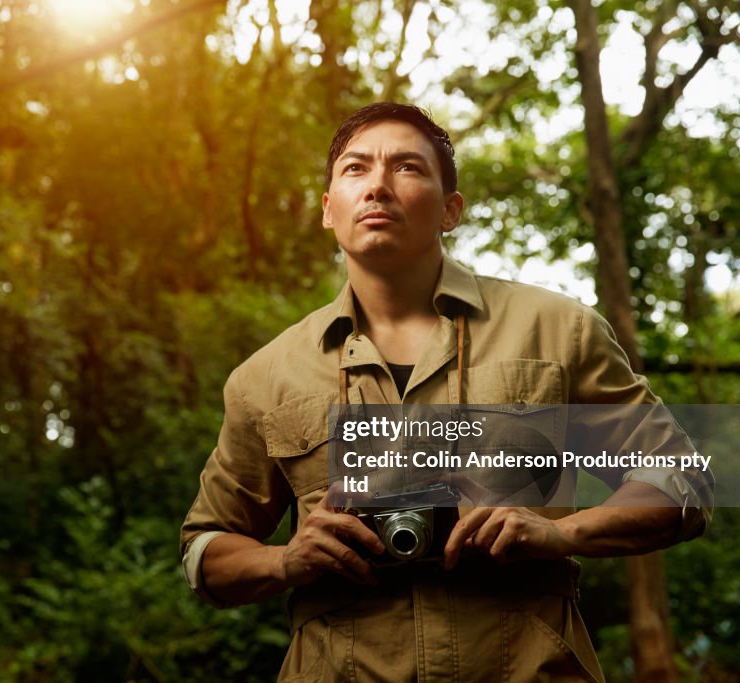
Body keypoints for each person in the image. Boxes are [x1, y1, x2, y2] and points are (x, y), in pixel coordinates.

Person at [180, 102, 712, 682]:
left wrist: (558, 532)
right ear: (328, 211)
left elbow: (683, 478)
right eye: (355, 169)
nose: (378, 185)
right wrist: (287, 559)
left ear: (450, 210)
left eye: (406, 167)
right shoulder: (265, 376)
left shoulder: (558, 331)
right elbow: (205, 549)